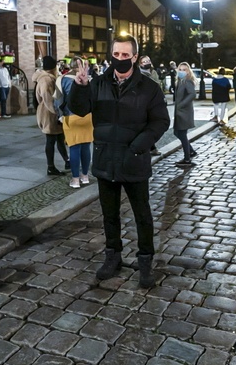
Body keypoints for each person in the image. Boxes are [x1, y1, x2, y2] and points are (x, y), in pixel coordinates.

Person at [69, 33, 170, 288]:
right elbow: (79, 109)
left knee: (142, 216)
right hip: (105, 161)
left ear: (135, 57)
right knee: (109, 215)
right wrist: (80, 86)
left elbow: (160, 121)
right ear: (111, 55)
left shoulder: (149, 88)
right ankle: (112, 257)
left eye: (126, 55)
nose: (120, 59)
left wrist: (139, 146)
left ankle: (145, 261)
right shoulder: (98, 83)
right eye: (116, 55)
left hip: (134, 160)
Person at [57, 57, 92, 188]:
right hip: (87, 117)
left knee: (74, 148)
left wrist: (59, 116)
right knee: (86, 147)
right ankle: (85, 176)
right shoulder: (88, 79)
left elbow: (58, 99)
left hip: (71, 117)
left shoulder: (62, 79)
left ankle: (75, 179)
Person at [34, 55, 69, 175]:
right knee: (51, 140)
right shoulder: (46, 80)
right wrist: (58, 113)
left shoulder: (48, 78)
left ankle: (67, 160)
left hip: (50, 112)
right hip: (49, 113)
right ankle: (51, 167)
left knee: (59, 138)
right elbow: (47, 99)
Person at [173, 63, 197, 165]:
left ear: (188, 71)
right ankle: (190, 151)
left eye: (184, 70)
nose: (182, 71)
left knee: (181, 134)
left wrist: (181, 104)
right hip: (180, 112)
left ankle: (187, 159)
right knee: (177, 133)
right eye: (180, 69)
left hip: (184, 112)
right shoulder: (180, 81)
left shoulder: (187, 80)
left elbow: (192, 94)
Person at [139, 55, 163, 155]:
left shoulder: (153, 72)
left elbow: (158, 84)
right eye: (144, 61)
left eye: (148, 60)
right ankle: (149, 148)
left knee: (152, 126)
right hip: (143, 104)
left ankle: (151, 147)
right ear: (140, 64)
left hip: (154, 103)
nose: (147, 62)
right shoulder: (139, 74)